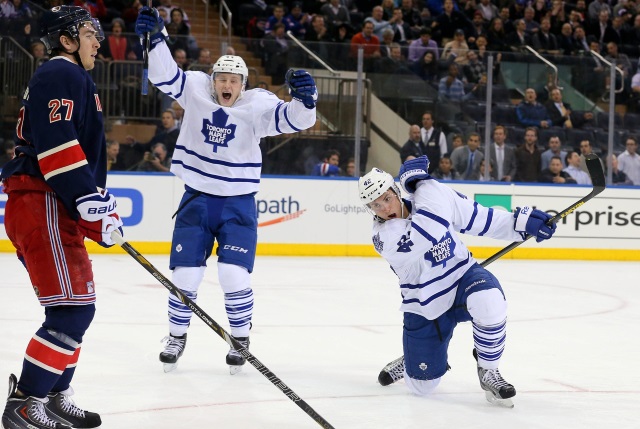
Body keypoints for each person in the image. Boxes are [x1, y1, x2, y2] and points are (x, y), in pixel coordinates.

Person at [134, 7, 317, 374]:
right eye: (221, 78)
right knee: (186, 275)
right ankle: (176, 334)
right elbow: (164, 74)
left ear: (244, 84)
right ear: (213, 79)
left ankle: (240, 337)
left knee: (234, 275)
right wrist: (155, 40)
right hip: (197, 199)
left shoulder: (258, 105)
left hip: (238, 205)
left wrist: (306, 100)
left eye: (234, 80)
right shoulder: (196, 88)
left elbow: (296, 120)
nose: (226, 85)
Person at [1, 6, 123, 429]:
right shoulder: (61, 73)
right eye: (89, 32)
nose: (98, 39)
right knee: (71, 312)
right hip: (42, 199)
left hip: (51, 200)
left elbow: (72, 153)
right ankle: (25, 401)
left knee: (77, 308)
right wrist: (88, 199)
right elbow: (56, 146)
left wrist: (96, 210)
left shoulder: (77, 78)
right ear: (67, 40)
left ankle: (53, 394)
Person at [358, 157, 556, 406]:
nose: (385, 208)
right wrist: (425, 185)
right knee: (423, 387)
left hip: (462, 277)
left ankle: (489, 371)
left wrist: (520, 225)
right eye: (376, 205)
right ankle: (412, 360)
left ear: (397, 191)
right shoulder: (383, 236)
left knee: (490, 302)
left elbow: (477, 218)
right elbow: (428, 230)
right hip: (425, 304)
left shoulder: (430, 197)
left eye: (387, 198)